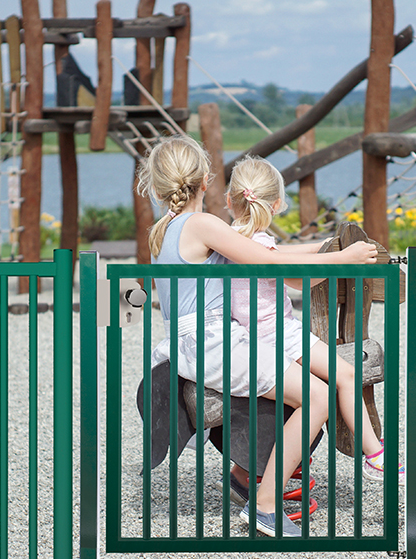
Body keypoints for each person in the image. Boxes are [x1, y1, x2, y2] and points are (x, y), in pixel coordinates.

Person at [136, 136, 379, 538]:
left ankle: (247, 479)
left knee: (313, 390)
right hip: (214, 342)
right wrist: (341, 258)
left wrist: (325, 248)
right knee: (317, 395)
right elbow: (267, 260)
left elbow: (266, 250)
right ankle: (265, 506)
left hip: (198, 342)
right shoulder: (202, 224)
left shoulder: (167, 230)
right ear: (207, 179)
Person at [223, 156, 404, 496]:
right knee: (345, 377)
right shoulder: (258, 246)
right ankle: (375, 455)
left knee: (342, 376)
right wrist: (340, 260)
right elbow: (298, 279)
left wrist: (330, 248)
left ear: (231, 200)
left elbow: (282, 251)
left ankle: (374, 454)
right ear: (277, 204)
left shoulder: (231, 240)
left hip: (260, 337)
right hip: (276, 337)